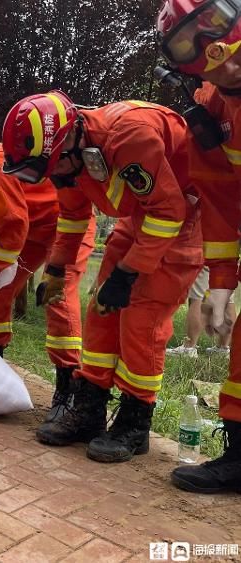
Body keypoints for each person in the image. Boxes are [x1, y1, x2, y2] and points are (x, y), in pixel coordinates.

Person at [2, 91, 203, 463]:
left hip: (179, 223)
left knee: (141, 321)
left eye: (54, 167)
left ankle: (134, 422)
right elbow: (74, 216)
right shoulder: (69, 159)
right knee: (101, 313)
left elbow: (169, 211)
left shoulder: (130, 136)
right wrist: (58, 268)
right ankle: (89, 410)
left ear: (73, 138)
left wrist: (126, 274)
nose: (55, 176)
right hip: (139, 219)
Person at [157, 0, 241, 493]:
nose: (229, 65)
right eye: (214, 63)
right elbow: (221, 203)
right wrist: (222, 286)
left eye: (232, 52)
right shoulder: (211, 115)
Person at [166, 268, 236, 358]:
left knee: (197, 297)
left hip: (208, 256)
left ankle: (189, 348)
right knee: (227, 299)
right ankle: (223, 348)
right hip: (230, 257)